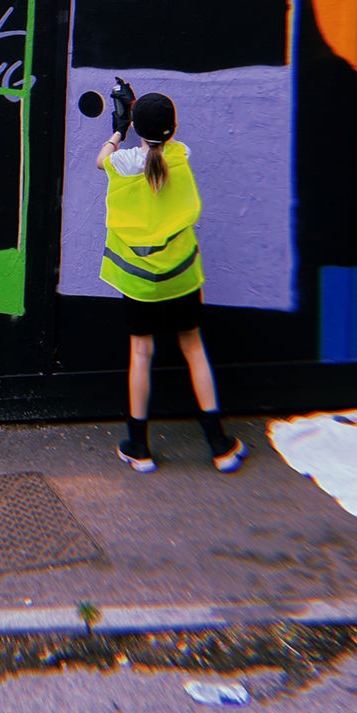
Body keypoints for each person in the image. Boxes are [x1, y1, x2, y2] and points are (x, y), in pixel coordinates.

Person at [96, 82, 247, 475]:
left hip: (141, 282)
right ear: (174, 128)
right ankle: (220, 447)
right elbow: (162, 150)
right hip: (182, 276)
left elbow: (101, 160)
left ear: (137, 128)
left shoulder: (125, 162)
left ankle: (139, 448)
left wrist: (118, 128)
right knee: (195, 350)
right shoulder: (182, 154)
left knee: (141, 355)